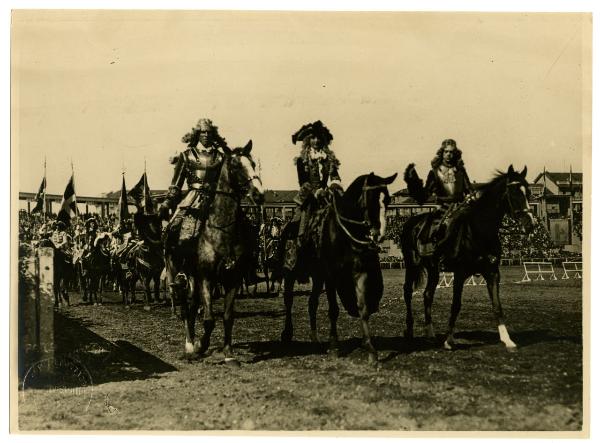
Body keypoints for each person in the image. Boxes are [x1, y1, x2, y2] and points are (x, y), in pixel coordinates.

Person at [290, 120, 343, 247]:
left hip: (326, 196)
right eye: (313, 137)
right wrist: (316, 192)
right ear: (308, 140)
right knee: (300, 223)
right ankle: (296, 250)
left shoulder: (329, 159)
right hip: (309, 198)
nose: (316, 140)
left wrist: (332, 188)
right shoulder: (302, 161)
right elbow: (303, 182)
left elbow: (335, 178)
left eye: (319, 137)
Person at [423, 139, 475, 257]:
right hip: (443, 207)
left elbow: (468, 188)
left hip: (461, 205)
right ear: (441, 153)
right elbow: (428, 192)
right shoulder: (435, 172)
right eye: (446, 152)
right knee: (441, 228)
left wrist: (471, 195)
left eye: (451, 152)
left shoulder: (460, 171)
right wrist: (433, 196)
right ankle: (438, 254)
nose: (448, 154)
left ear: (455, 153)